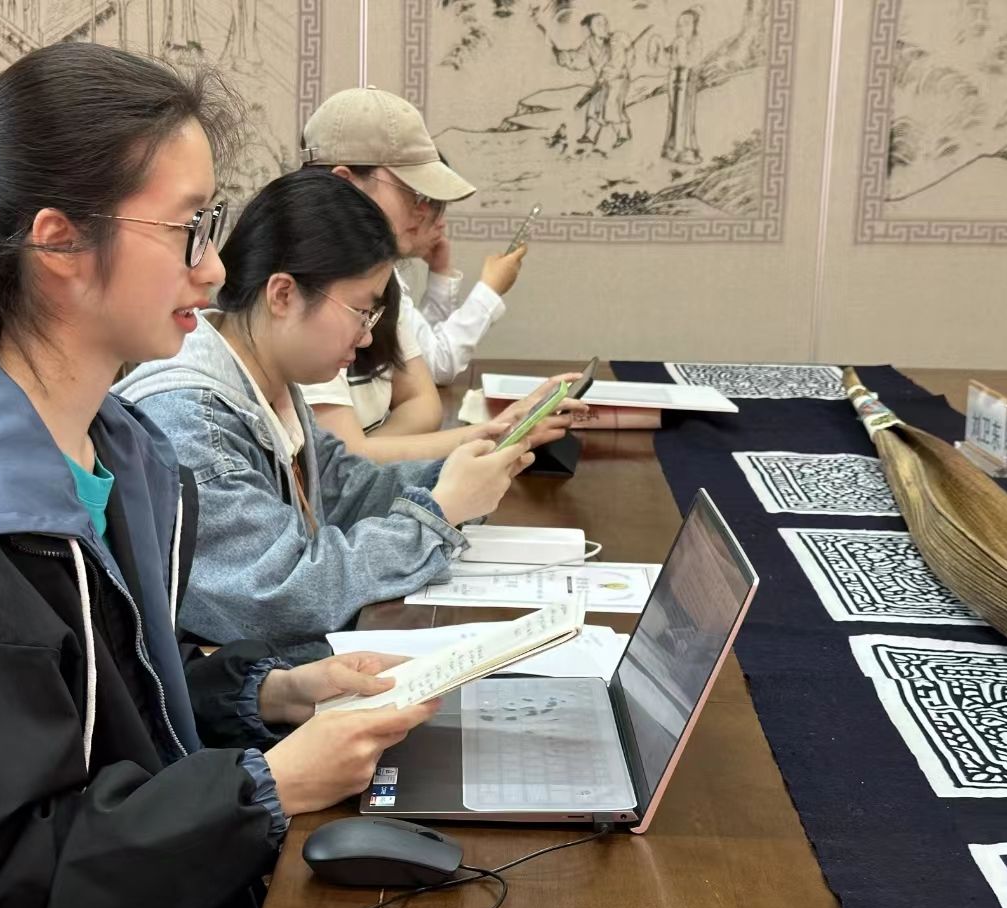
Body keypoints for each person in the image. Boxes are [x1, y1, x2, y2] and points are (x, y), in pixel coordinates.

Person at [0, 43, 437, 908]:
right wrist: (266, 789)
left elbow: (108, 696)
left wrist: (268, 692)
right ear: (58, 244)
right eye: (188, 228)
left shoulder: (114, 448)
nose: (214, 270)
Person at [117, 168, 544, 646]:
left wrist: (457, 475)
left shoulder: (266, 379)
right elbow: (283, 597)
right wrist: (439, 513)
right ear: (283, 294)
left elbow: (343, 489)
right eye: (361, 312)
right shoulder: (192, 421)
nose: (366, 338)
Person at [301, 86, 527, 388]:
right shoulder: (313, 288)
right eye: (415, 194)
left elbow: (423, 387)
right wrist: (490, 289)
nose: (423, 213)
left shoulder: (381, 275)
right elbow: (438, 366)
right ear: (346, 184)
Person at [545, 13, 635, 149]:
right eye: (598, 24)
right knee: (594, 106)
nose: (603, 26)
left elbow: (618, 62)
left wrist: (606, 74)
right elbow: (580, 59)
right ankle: (590, 136)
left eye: (605, 23)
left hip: (618, 79)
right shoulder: (589, 43)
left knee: (611, 105)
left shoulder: (616, 41)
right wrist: (567, 58)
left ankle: (623, 135)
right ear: (591, 28)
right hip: (601, 82)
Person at [660, 8, 703, 164]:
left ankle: (685, 149)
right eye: (679, 24)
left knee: (684, 115)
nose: (681, 27)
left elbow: (688, 62)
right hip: (675, 81)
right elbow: (668, 61)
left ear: (694, 26)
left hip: (687, 81)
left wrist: (681, 47)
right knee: (674, 114)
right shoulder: (677, 42)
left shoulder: (695, 42)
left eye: (686, 23)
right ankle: (671, 148)